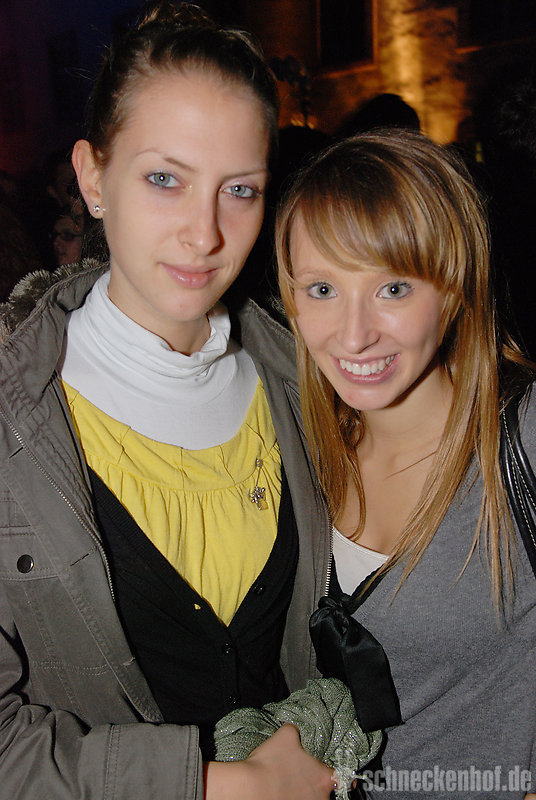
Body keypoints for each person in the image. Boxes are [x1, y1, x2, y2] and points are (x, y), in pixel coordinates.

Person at [0, 3, 335, 798]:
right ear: (92, 177)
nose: (205, 233)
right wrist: (222, 787)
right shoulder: (14, 420)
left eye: (239, 190)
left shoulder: (309, 383)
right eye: (165, 179)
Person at [276, 129, 536, 799]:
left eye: (393, 288)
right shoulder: (296, 449)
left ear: (453, 291)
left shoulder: (522, 440)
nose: (354, 334)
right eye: (322, 288)